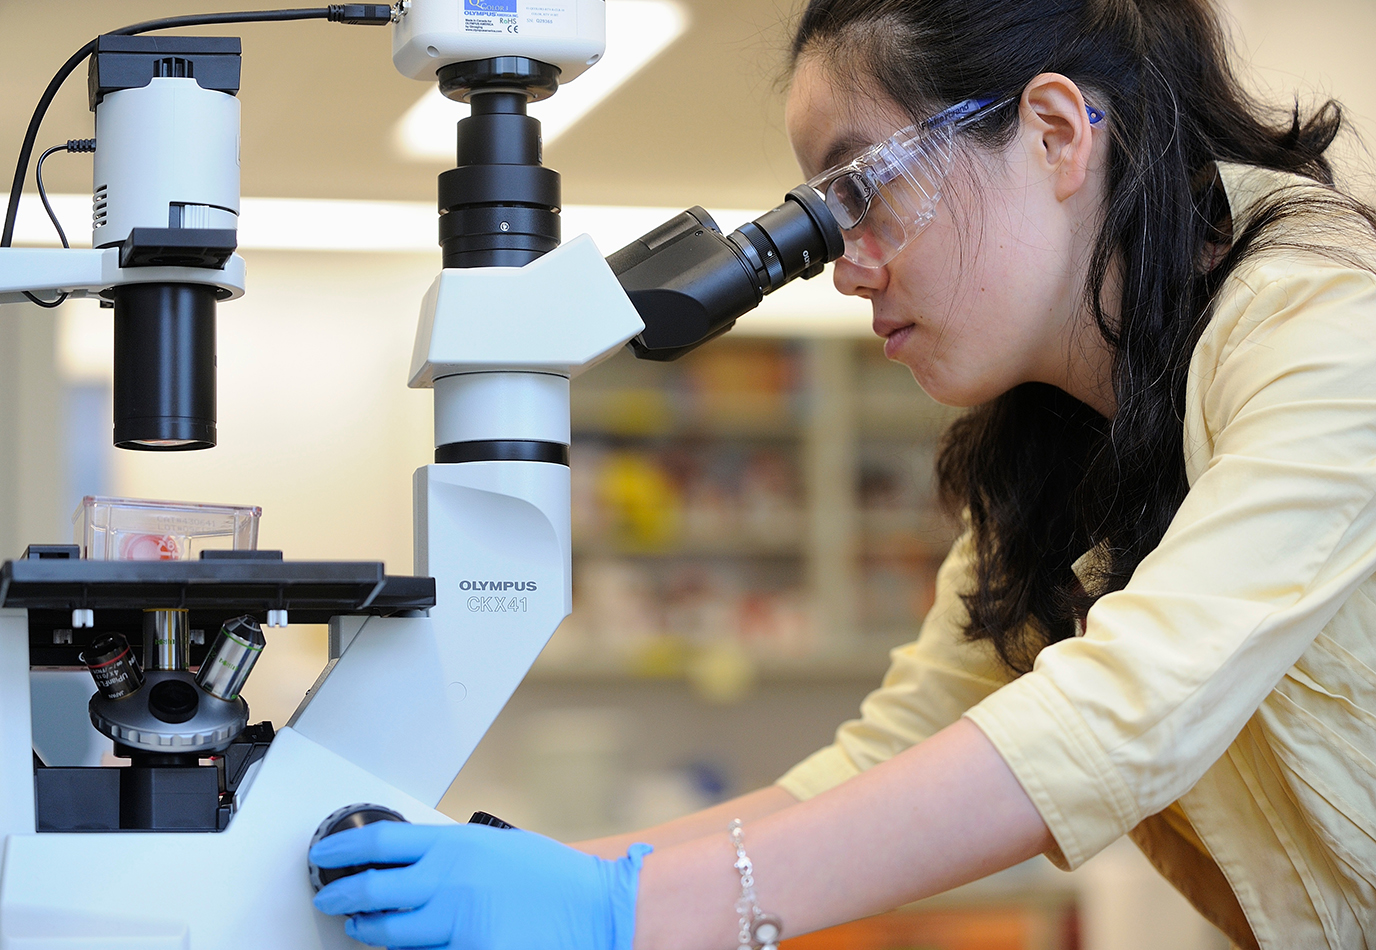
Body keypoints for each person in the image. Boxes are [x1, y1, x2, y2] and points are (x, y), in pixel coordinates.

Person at [308, 0, 1376, 946]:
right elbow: (886, 760)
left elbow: (1119, 715)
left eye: (863, 189)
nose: (845, 263)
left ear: (1055, 134)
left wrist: (623, 914)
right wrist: (563, 875)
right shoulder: (1063, 448)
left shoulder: (1330, 340)